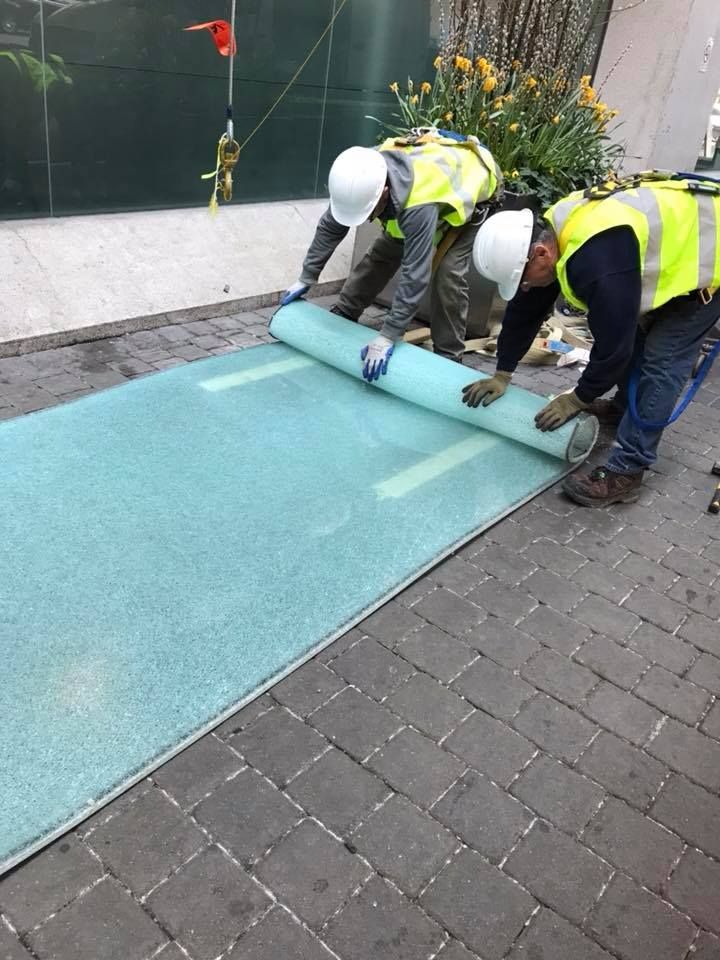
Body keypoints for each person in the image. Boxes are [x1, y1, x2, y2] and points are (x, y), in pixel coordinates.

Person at [462, 172, 720, 507]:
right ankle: (622, 409)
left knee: (661, 359)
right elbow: (525, 309)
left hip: (708, 263)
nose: (523, 287)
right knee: (639, 338)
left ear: (540, 254)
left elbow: (614, 346)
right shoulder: (558, 233)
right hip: (681, 245)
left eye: (522, 279)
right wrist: (503, 372)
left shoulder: (597, 258)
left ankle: (628, 469)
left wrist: (578, 398)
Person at [281, 132, 503, 381]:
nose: (365, 219)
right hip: (415, 191)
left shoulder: (418, 203)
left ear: (385, 193)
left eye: (369, 213)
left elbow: (415, 274)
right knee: (384, 252)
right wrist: (306, 277)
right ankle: (345, 312)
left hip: (475, 194)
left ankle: (449, 356)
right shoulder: (359, 175)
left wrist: (388, 335)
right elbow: (331, 227)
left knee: (447, 273)